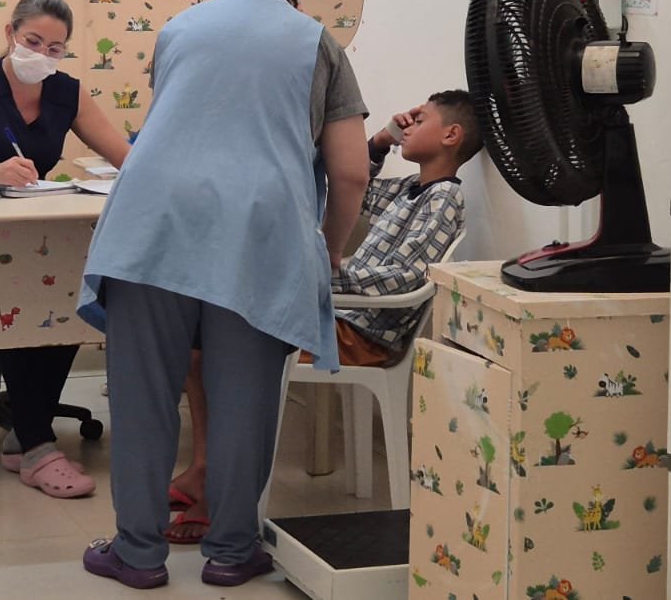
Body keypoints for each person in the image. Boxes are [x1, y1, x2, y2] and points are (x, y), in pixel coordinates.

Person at [76, 0, 371, 589]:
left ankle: (137, 553)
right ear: (292, 4)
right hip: (258, 233)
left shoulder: (180, 28)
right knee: (244, 399)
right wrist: (329, 250)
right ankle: (233, 551)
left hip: (151, 225)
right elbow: (351, 172)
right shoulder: (317, 42)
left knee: (143, 395)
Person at [165, 91, 480, 542]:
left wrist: (320, 273)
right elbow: (355, 187)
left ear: (451, 135)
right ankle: (205, 471)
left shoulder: (444, 197)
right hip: (341, 315)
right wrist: (382, 139)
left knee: (220, 349)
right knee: (203, 342)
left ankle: (219, 492)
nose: (409, 125)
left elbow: (408, 278)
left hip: (360, 331)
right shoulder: (413, 189)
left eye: (421, 119)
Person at [0, 0, 131, 499]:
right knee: (20, 292)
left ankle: (28, 433)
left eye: (55, 49)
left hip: (26, 231)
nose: (42, 55)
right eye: (32, 41)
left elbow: (127, 157)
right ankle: (36, 442)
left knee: (72, 292)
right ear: (10, 33)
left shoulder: (67, 93)